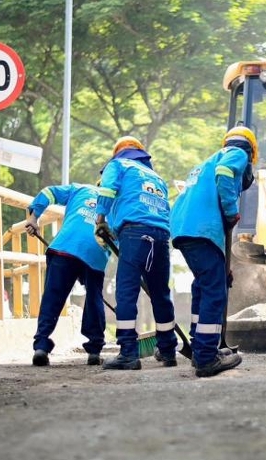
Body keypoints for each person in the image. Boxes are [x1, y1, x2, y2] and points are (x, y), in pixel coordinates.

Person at [170, 126, 257, 377]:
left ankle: (200, 347)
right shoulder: (237, 153)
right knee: (214, 291)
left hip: (185, 229)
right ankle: (207, 357)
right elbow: (225, 173)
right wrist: (231, 211)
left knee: (203, 284)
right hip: (201, 230)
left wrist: (223, 267)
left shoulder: (204, 164)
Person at [95, 136, 178, 370]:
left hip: (134, 234)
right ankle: (168, 351)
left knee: (126, 292)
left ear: (118, 152)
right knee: (160, 294)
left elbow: (107, 191)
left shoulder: (118, 164)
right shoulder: (156, 177)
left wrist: (100, 220)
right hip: (161, 236)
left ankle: (128, 353)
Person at [26, 183, 109, 367]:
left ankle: (41, 347)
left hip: (65, 246)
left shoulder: (80, 189)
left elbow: (47, 192)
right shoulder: (118, 200)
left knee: (52, 297)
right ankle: (94, 351)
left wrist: (33, 218)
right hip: (95, 252)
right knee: (94, 298)